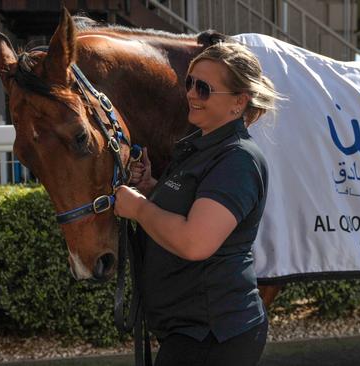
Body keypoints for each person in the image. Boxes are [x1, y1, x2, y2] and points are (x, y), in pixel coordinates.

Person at [114, 41, 281, 366]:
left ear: (238, 102)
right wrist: (151, 190)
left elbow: (195, 242)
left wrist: (137, 208)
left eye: (203, 88)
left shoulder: (237, 160)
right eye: (189, 83)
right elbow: (190, 207)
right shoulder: (201, 147)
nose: (190, 94)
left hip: (214, 335)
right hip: (191, 330)